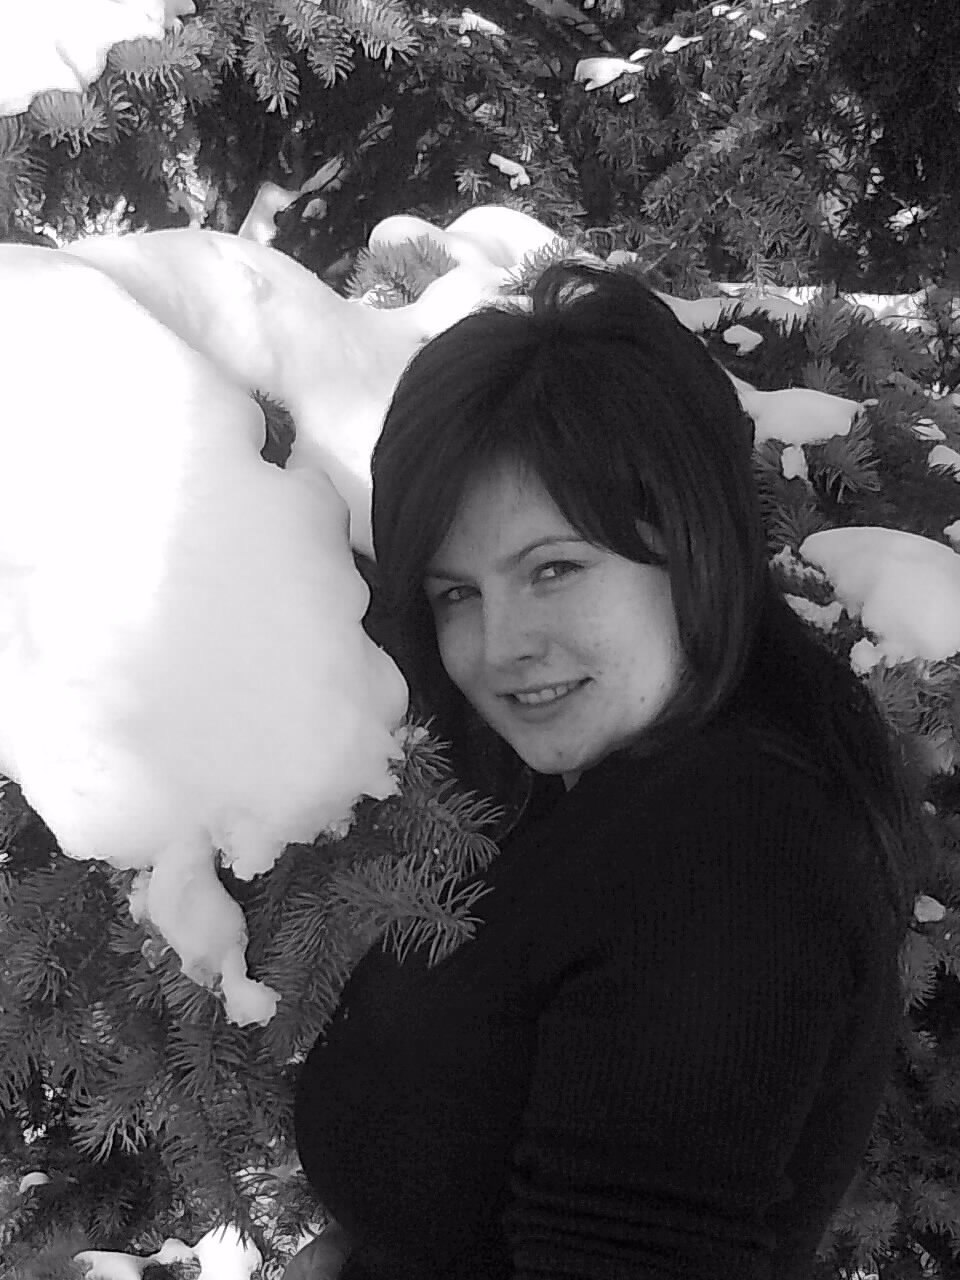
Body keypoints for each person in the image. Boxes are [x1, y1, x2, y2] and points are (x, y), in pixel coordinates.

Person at [292, 262, 929, 1280]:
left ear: (692, 540)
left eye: (554, 568)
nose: (500, 645)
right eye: (457, 593)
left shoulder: (728, 852)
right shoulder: (612, 786)